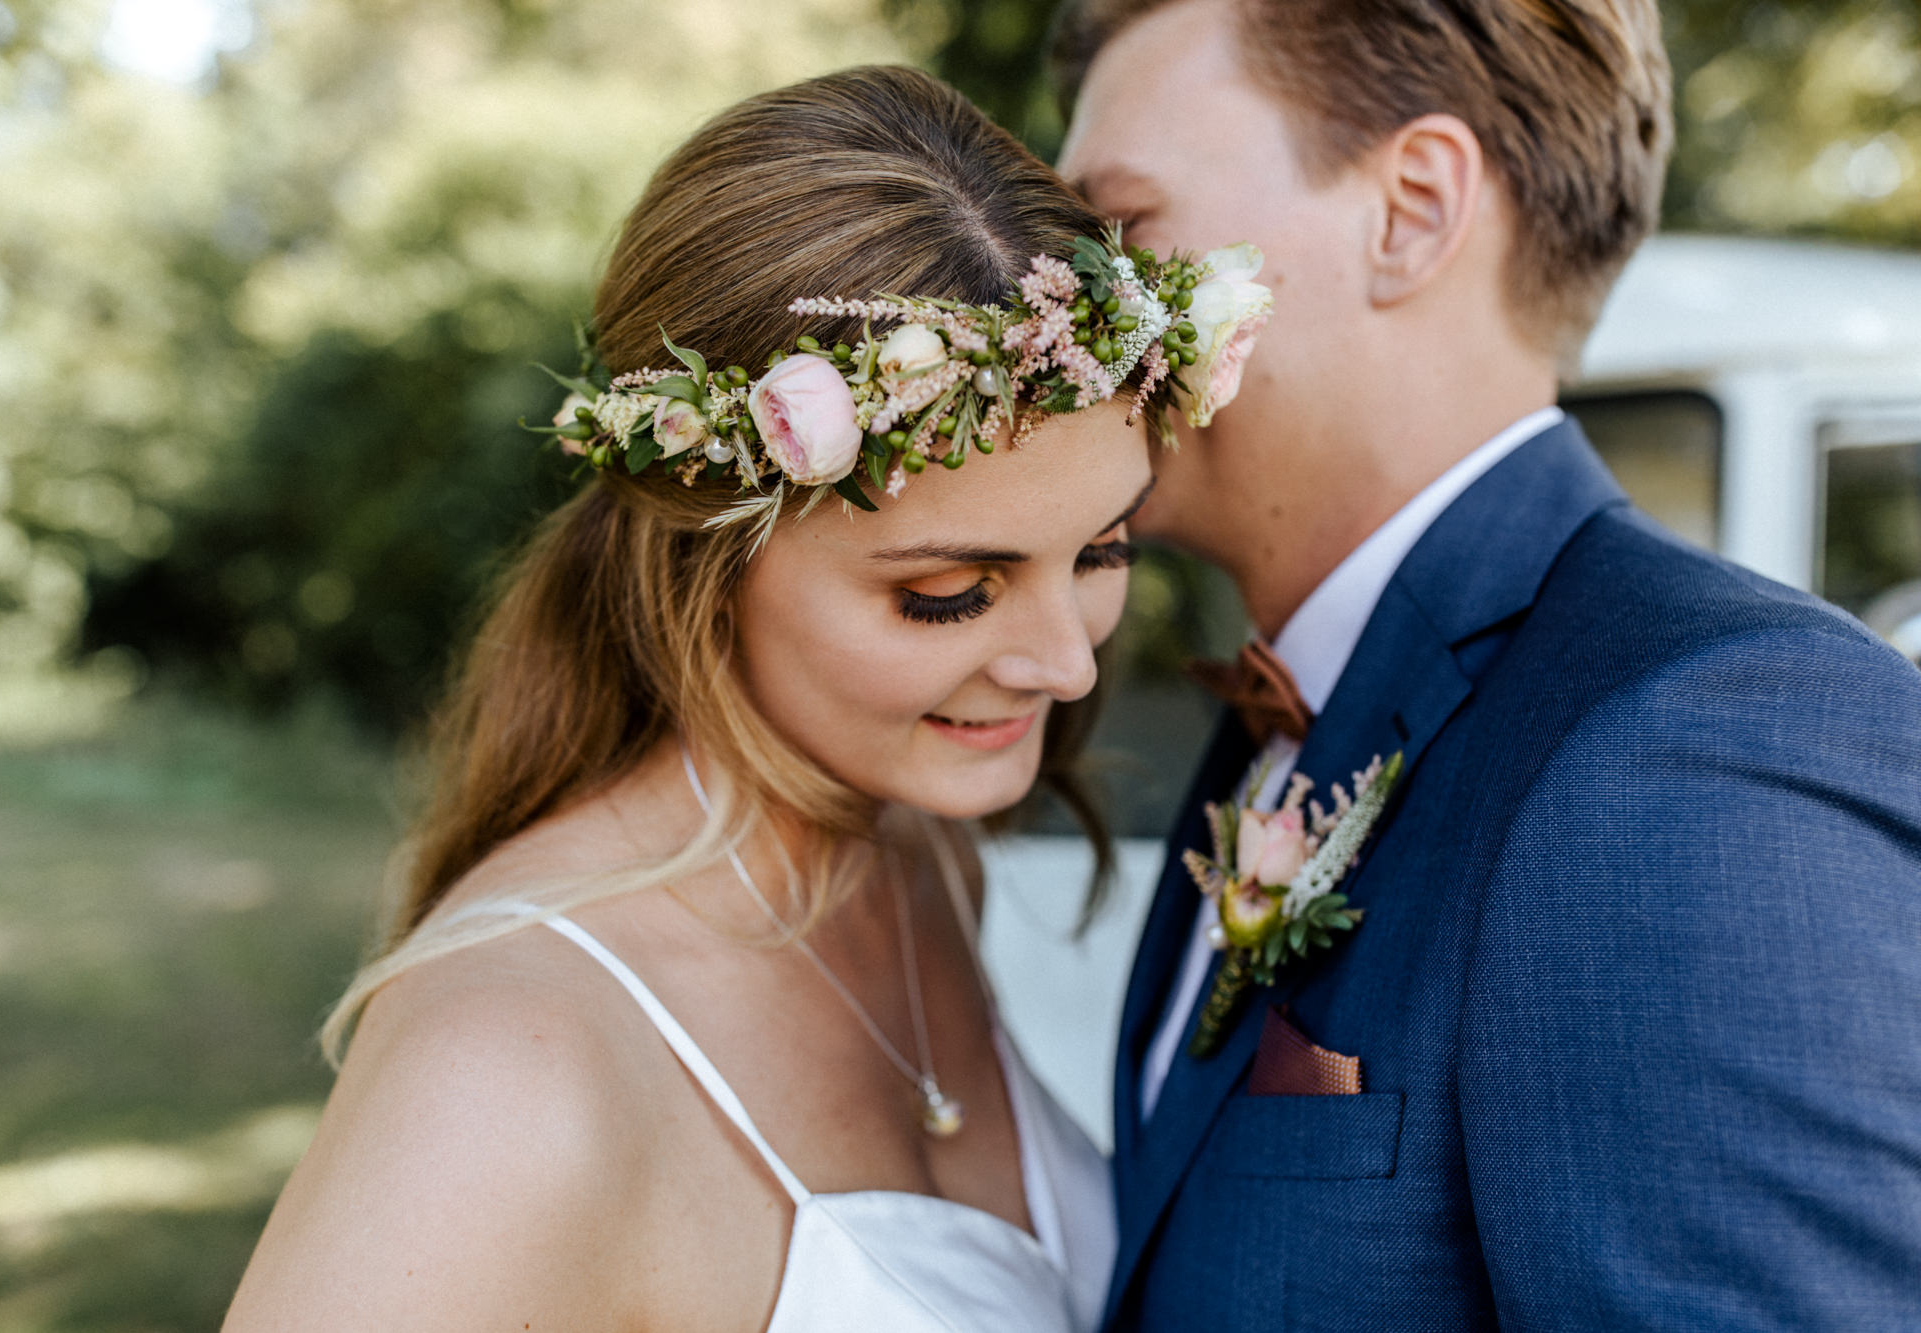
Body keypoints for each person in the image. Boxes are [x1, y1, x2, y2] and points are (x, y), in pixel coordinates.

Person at [224, 64, 1272, 1333]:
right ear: (706, 558)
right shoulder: (501, 1067)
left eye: (1102, 551)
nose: (1068, 664)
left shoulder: (918, 859)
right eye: (950, 591)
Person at [1053, 1, 1921, 1329]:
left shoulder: (1692, 751)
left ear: (1410, 209)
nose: (1064, 301)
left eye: (1119, 232)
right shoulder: (1290, 715)